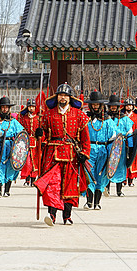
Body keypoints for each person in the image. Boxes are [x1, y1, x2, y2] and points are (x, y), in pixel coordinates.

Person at [35, 83, 91, 226]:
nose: (63, 98)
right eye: (61, 95)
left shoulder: (79, 114)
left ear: (70, 98)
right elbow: (44, 135)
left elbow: (85, 137)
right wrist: (39, 134)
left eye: (66, 95)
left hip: (72, 154)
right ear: (57, 97)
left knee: (70, 186)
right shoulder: (48, 113)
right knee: (52, 184)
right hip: (52, 154)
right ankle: (52, 215)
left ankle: (67, 216)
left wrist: (84, 152)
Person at [84, 90, 113, 210]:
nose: (95, 107)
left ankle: (97, 202)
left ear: (101, 106)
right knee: (88, 174)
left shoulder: (107, 120)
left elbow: (113, 137)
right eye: (93, 105)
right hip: (89, 149)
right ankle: (89, 201)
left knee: (100, 175)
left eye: (97, 105)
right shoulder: (85, 118)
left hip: (103, 150)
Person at [0, 97, 25, 199]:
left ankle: (7, 190)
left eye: (6, 107)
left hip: (11, 146)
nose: (5, 109)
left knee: (10, 168)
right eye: (3, 107)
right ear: (0, 108)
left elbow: (21, 133)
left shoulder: (13, 121)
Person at [106, 94, 134, 197]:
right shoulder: (105, 118)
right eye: (111, 106)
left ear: (118, 107)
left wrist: (131, 148)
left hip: (120, 147)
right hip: (108, 146)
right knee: (108, 167)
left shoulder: (125, 119)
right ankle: (107, 189)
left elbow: (130, 134)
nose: (113, 108)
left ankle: (119, 190)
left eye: (115, 106)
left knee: (120, 167)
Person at [18, 98, 42, 186]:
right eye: (30, 107)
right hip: (26, 142)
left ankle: (33, 179)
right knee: (27, 161)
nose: (31, 108)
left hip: (36, 142)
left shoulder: (38, 118)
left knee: (35, 162)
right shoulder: (24, 118)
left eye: (33, 107)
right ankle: (27, 179)